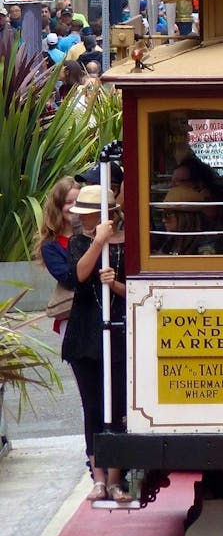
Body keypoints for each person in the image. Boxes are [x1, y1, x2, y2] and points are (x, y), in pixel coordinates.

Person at [63, 183, 129, 503]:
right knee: (92, 407)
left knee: (117, 405)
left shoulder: (130, 243)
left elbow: (138, 291)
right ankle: (98, 477)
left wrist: (114, 283)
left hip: (119, 331)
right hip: (85, 333)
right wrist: (98, 241)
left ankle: (117, 477)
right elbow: (78, 275)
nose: (83, 221)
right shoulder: (80, 242)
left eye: (87, 215)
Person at [32, 176, 80, 333]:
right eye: (68, 202)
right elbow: (69, 279)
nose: (74, 207)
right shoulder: (50, 246)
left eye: (78, 202)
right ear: (58, 207)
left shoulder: (96, 233)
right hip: (72, 318)